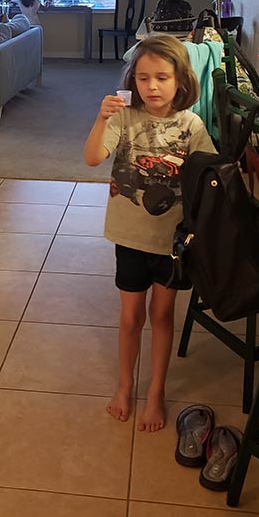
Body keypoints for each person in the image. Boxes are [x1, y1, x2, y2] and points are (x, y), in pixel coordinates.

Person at [84, 34, 215, 432]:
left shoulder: (191, 125)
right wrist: (101, 117)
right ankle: (126, 385)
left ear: (180, 80)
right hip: (130, 234)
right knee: (130, 318)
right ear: (132, 81)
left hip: (172, 241)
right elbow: (92, 158)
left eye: (161, 77)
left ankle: (155, 389)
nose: (152, 87)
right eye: (143, 78)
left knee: (162, 315)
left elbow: (209, 175)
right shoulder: (124, 118)